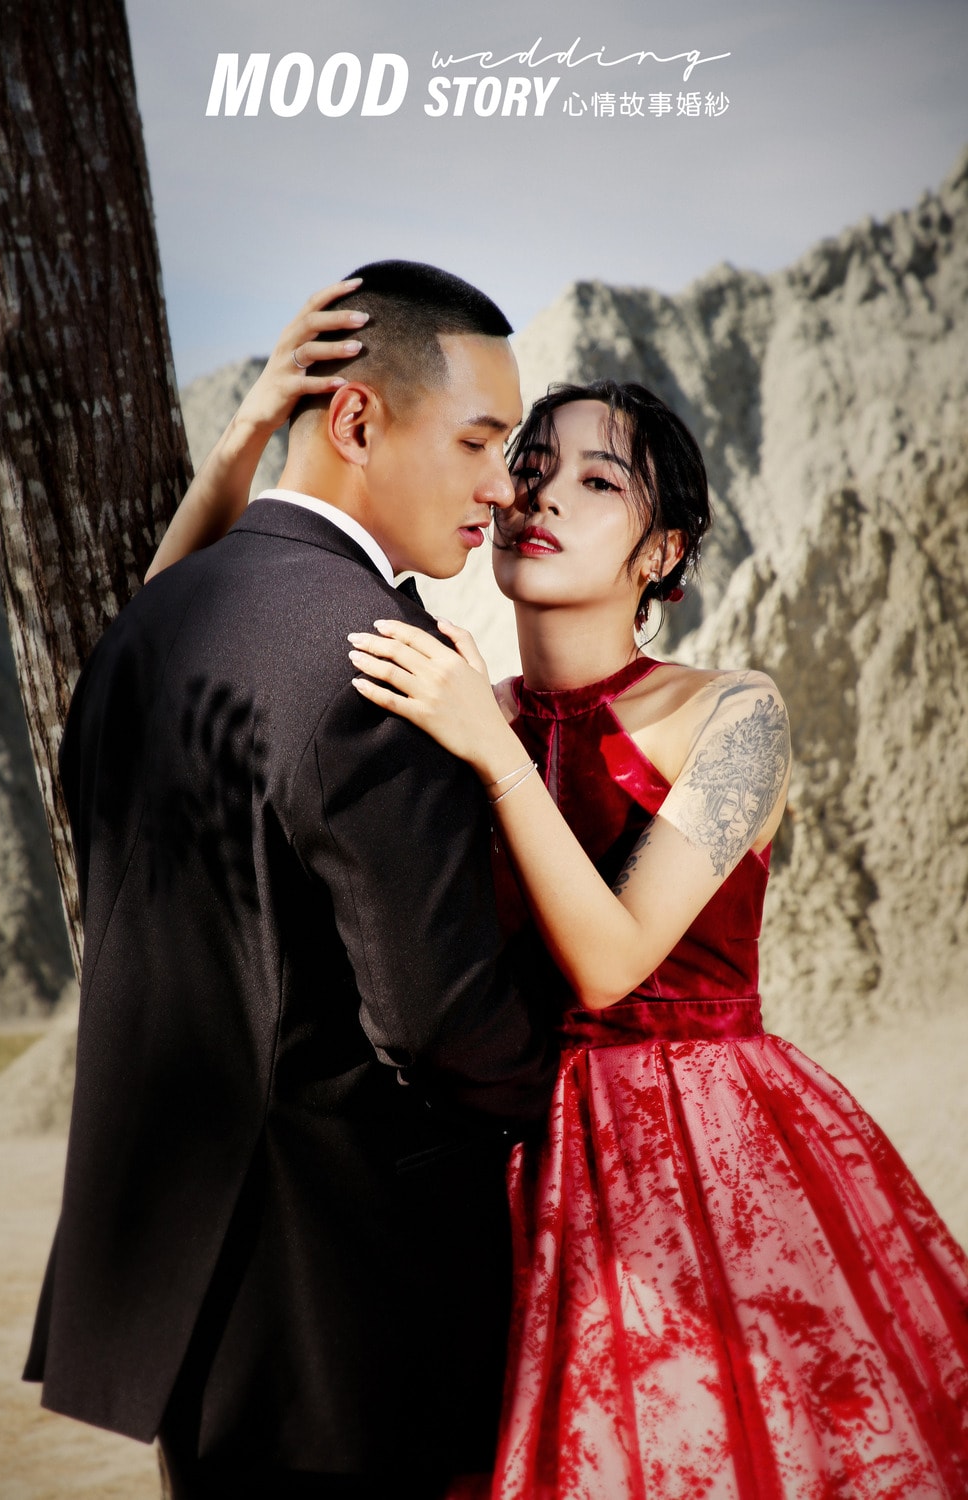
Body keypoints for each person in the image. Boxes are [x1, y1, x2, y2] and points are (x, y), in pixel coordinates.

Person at [347, 382, 968, 1497]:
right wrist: (250, 438)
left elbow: (612, 961)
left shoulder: (734, 712)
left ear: (662, 551)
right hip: (501, 1146)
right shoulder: (466, 708)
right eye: (529, 467)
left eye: (597, 481)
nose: (543, 496)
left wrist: (489, 750)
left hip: (705, 1154)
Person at [24, 263, 558, 1500]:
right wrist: (579, 1081)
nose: (500, 485)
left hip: (189, 1302)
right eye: (478, 440)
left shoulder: (145, 633)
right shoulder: (381, 661)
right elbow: (438, 1025)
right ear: (358, 420)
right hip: (353, 1316)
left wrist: (245, 436)